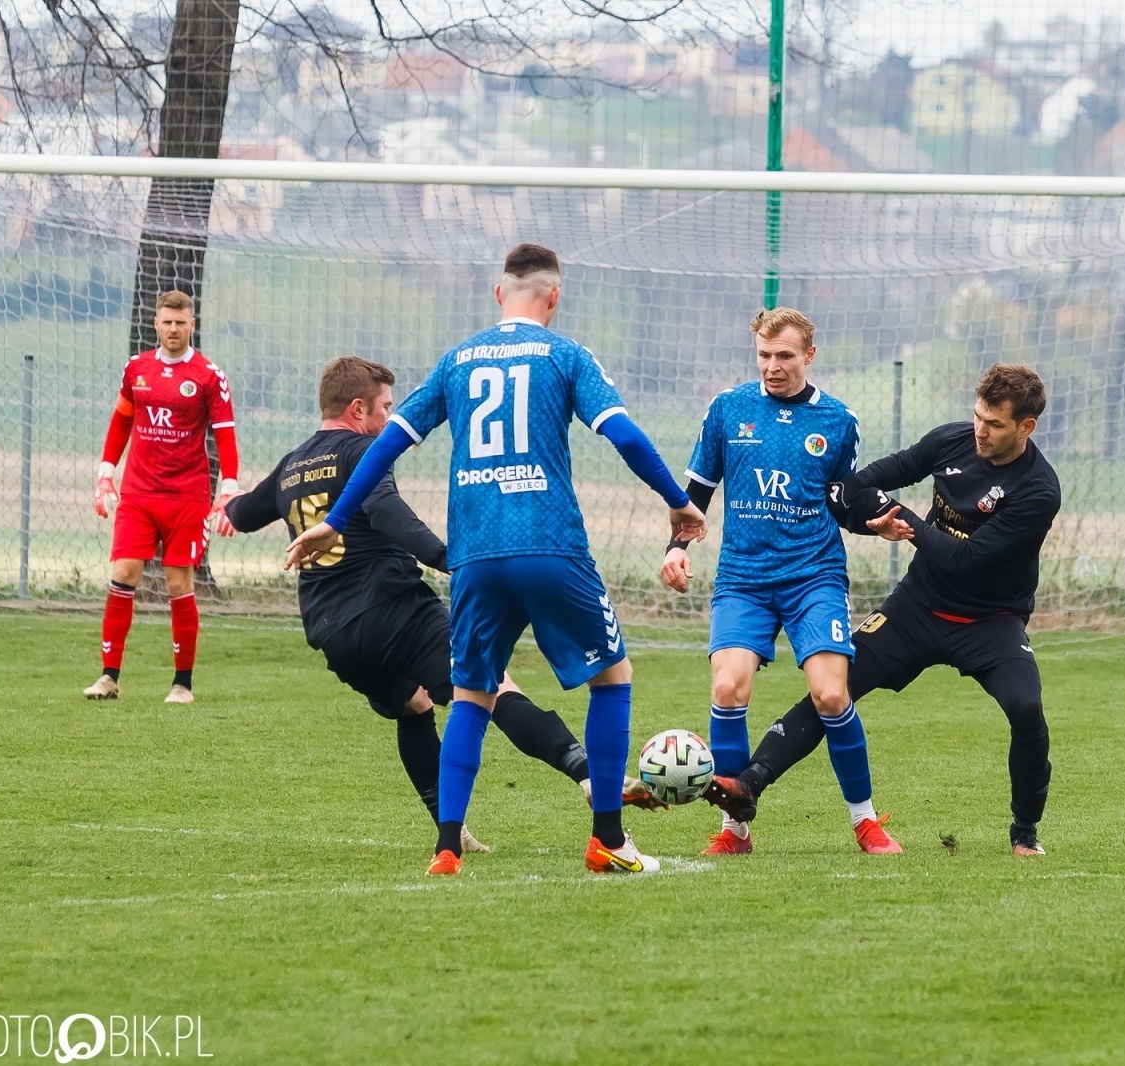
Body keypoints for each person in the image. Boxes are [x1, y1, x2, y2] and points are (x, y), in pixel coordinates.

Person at [286, 244, 705, 877]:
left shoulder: (457, 361)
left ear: (497, 293)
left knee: (473, 693)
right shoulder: (565, 355)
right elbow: (622, 433)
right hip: (549, 545)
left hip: (474, 558)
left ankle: (447, 847)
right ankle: (609, 841)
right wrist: (678, 503)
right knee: (611, 677)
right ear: (554, 297)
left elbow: (385, 448)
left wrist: (335, 520)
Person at [220, 356, 660, 851]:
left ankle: (454, 833)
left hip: (332, 632)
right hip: (394, 610)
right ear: (359, 408)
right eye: (386, 407)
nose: (388, 417)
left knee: (414, 705)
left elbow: (244, 512)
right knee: (492, 689)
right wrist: (451, 558)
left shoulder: (292, 465)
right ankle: (585, 774)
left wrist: (225, 505)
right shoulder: (363, 450)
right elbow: (385, 510)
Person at [704, 363, 1061, 856]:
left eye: (995, 424)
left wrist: (904, 519)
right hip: (918, 607)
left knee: (1026, 708)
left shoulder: (1039, 490)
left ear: (1026, 427)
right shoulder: (951, 441)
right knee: (833, 692)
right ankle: (748, 785)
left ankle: (1024, 833)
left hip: (991, 621)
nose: (980, 430)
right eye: (978, 416)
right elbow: (864, 481)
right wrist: (865, 507)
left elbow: (965, 560)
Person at [660, 308, 900, 856]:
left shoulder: (838, 421)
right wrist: (676, 548)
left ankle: (865, 822)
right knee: (727, 687)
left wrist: (873, 524)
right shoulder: (728, 409)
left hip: (813, 576)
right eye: (765, 356)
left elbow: (843, 502)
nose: (773, 366)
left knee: (832, 694)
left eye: (785, 356)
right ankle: (734, 829)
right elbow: (695, 494)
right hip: (744, 577)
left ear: (808, 356)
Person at [84, 290, 238, 704]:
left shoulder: (209, 376)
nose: (173, 329)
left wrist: (228, 490)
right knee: (123, 574)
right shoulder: (137, 369)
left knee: (177, 582)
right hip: (138, 492)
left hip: (186, 496)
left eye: (180, 322)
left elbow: (225, 435)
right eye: (167, 322)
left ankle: (182, 684)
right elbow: (121, 421)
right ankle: (108, 677)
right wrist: (105, 474)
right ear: (156, 323)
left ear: (192, 324)